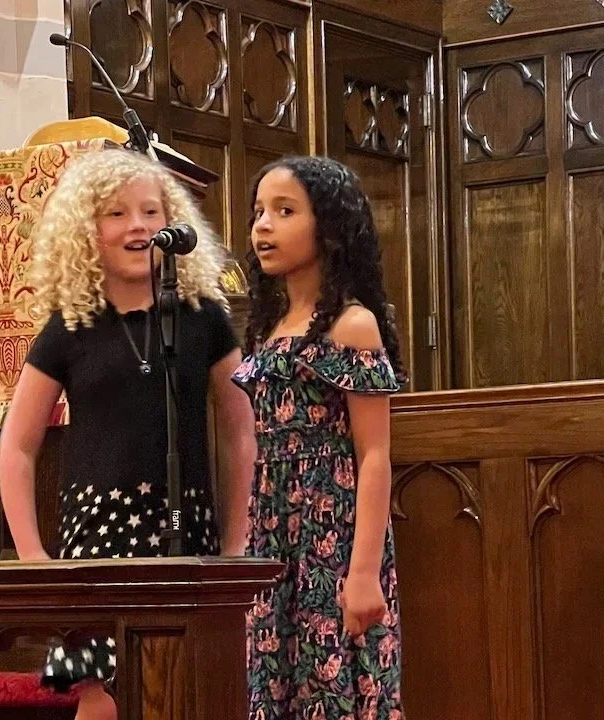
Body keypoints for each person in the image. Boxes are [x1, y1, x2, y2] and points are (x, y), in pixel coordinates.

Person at [0, 148, 256, 720]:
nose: (137, 226)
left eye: (151, 211)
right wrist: (32, 555)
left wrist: (238, 542)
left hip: (186, 527)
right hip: (97, 536)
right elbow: (16, 445)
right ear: (86, 231)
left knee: (190, 689)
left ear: (173, 223)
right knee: (102, 700)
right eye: (116, 214)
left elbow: (240, 432)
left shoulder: (203, 316)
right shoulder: (71, 326)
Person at [232, 155, 405, 720]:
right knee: (272, 691)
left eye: (284, 211)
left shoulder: (351, 324)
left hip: (332, 534)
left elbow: (374, 454)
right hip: (271, 533)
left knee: (332, 695)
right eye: (259, 211)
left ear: (328, 228)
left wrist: (361, 574)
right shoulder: (267, 326)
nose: (263, 225)